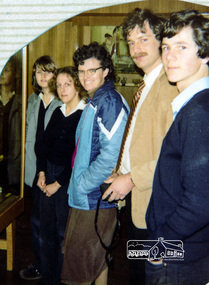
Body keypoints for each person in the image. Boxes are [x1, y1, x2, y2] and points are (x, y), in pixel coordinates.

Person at [102, 8, 178, 285]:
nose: (136, 48)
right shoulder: (147, 85)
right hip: (139, 202)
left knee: (156, 275)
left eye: (143, 39)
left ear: (161, 41)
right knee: (138, 271)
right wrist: (120, 171)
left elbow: (176, 156)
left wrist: (132, 177)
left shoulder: (170, 86)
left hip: (160, 209)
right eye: (131, 42)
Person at [145, 10, 209, 285]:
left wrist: (162, 244)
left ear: (205, 53)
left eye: (182, 47)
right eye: (166, 47)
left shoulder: (199, 111)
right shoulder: (194, 104)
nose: (169, 56)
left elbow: (201, 202)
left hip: (179, 255)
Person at [61, 42, 129, 285]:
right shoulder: (96, 99)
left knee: (80, 269)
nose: (85, 76)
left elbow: (110, 158)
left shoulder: (108, 101)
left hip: (93, 199)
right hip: (91, 197)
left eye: (92, 70)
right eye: (81, 71)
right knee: (96, 264)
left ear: (106, 71)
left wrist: (81, 184)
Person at [35, 66, 87, 285]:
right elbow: (43, 145)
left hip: (67, 179)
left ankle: (61, 279)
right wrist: (41, 173)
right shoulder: (58, 112)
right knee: (45, 231)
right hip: (49, 174)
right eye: (59, 85)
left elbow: (77, 158)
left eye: (68, 84)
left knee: (62, 233)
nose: (63, 89)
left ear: (77, 85)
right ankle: (48, 278)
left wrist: (57, 183)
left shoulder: (84, 114)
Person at [20, 55, 61, 281]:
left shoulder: (62, 101)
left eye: (47, 71)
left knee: (50, 223)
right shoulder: (32, 100)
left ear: (54, 74)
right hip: (34, 170)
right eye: (38, 71)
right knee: (36, 220)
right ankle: (41, 263)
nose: (42, 75)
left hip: (53, 172)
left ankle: (51, 267)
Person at [0, 55, 22, 190]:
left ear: (15, 74)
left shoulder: (21, 101)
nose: (2, 73)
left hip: (13, 160)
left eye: (6, 70)